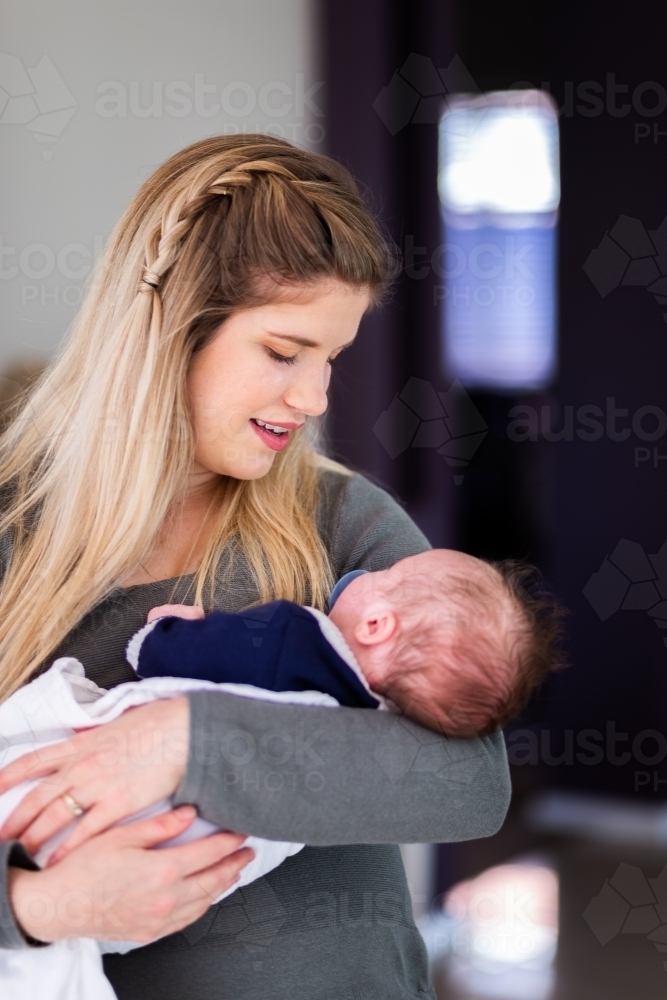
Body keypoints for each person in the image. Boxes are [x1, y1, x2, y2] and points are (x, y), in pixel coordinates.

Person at [0, 135, 511, 1000]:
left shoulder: (340, 524)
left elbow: (468, 782)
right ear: (169, 325)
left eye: (329, 359)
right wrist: (41, 906)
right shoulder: (17, 533)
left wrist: (183, 742)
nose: (312, 400)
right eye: (283, 352)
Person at [134, 549, 561, 738]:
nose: (374, 569)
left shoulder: (290, 633)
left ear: (375, 625)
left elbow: (174, 657)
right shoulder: (365, 714)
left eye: (389, 572)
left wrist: (168, 629)